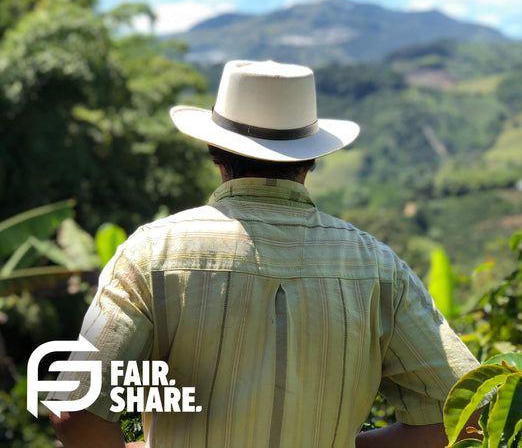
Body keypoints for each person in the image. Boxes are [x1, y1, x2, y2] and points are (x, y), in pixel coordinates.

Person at [50, 60, 481, 447]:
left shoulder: (151, 253)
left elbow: (74, 413)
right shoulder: (379, 267)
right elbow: (469, 412)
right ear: (311, 159)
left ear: (214, 152)